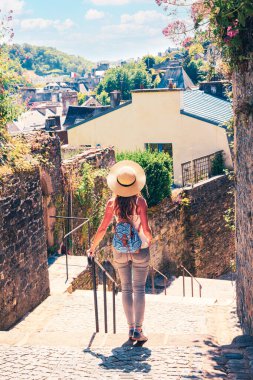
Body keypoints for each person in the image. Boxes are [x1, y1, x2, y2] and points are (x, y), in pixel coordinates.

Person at [87, 160, 152, 342]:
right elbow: (146, 229)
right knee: (139, 288)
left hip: (120, 249)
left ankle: (130, 328)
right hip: (140, 249)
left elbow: (102, 229)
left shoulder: (111, 203)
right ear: (135, 183)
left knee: (126, 288)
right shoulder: (140, 202)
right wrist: (150, 239)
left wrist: (92, 248)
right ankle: (138, 330)